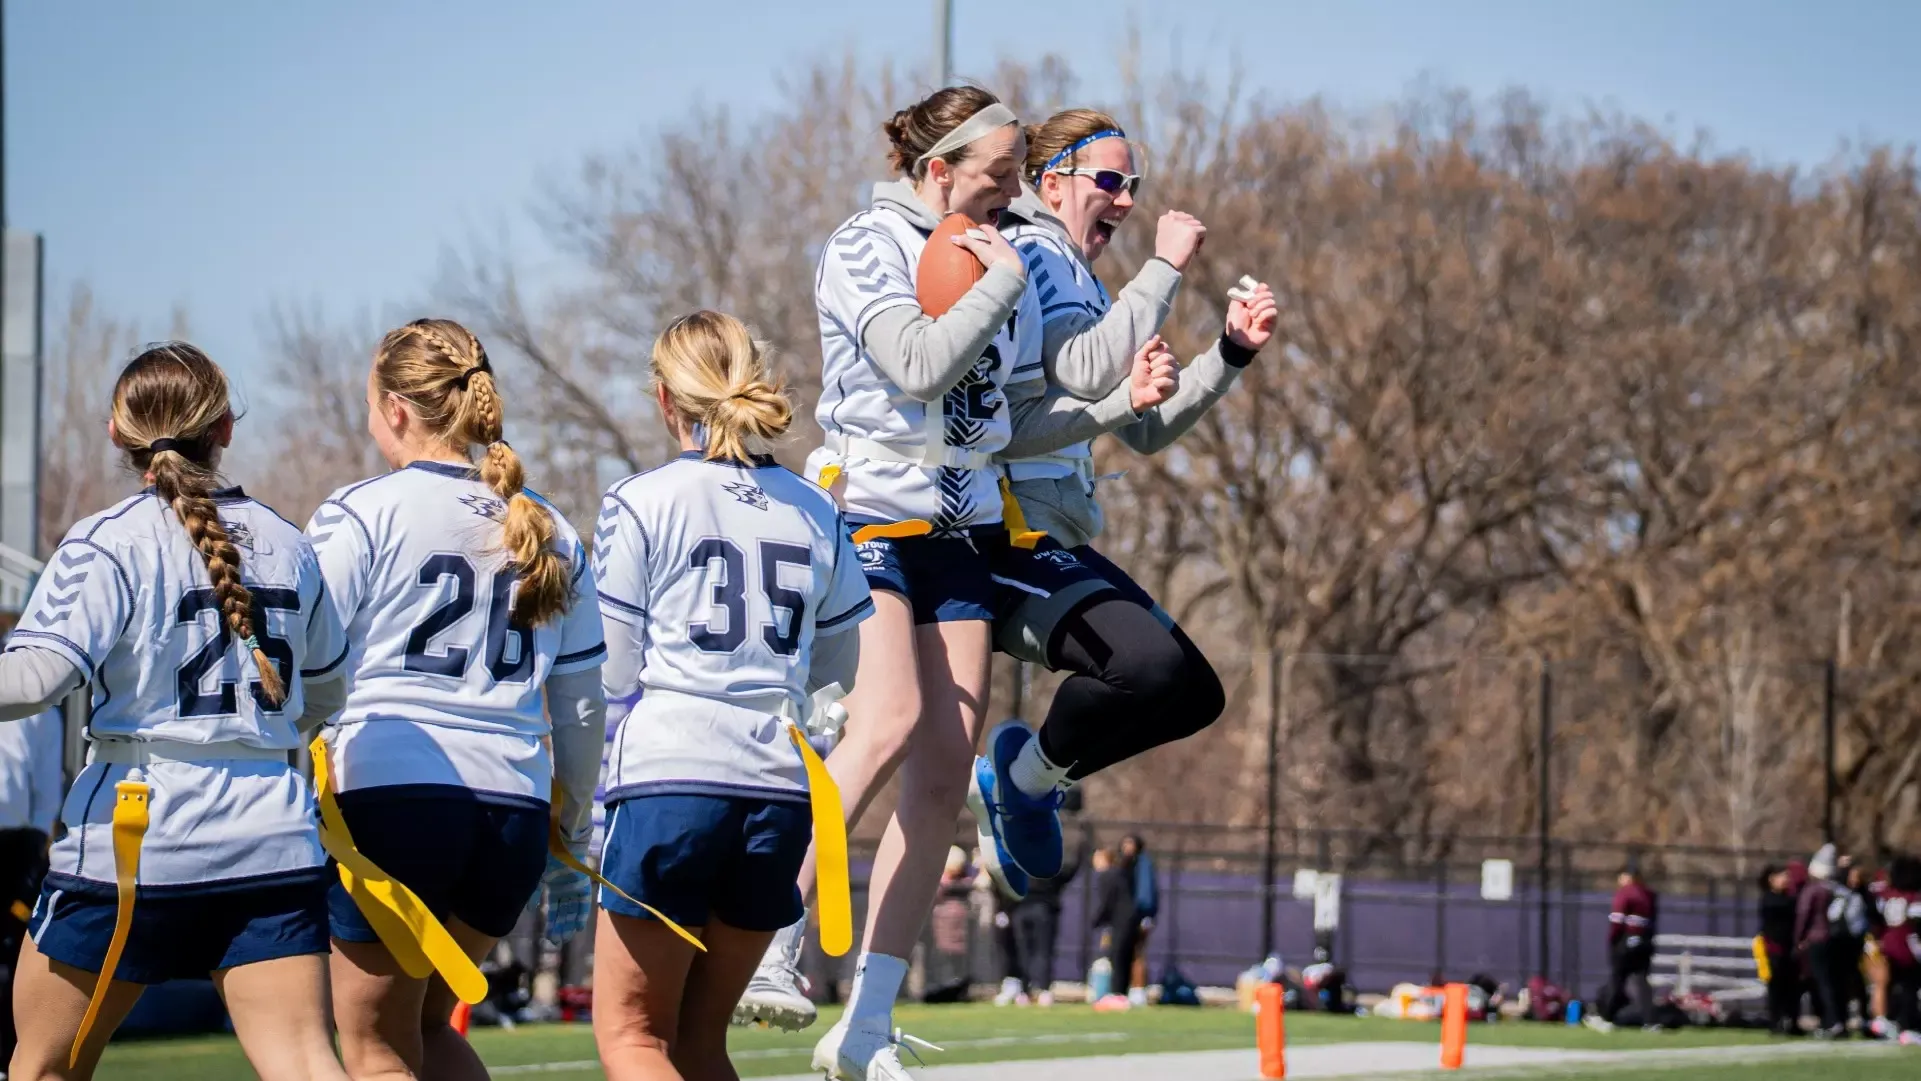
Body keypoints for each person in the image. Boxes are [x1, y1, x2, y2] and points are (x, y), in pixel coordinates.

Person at [0, 343, 351, 1081]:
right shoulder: (292, 544)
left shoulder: (106, 541)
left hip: (133, 839)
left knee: (42, 1069)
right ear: (225, 426)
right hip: (271, 837)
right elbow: (326, 691)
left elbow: (33, 678)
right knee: (309, 1065)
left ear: (114, 431)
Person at [967, 109, 1279, 897]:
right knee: (1144, 668)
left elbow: (1140, 428)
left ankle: (1029, 776)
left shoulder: (1080, 273)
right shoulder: (1035, 250)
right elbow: (1081, 370)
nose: (1127, 200)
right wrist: (1165, 269)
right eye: (1108, 181)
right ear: (1052, 181)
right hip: (1000, 540)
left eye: (1131, 185)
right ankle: (1022, 777)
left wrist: (1229, 353)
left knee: (1192, 693)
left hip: (1052, 540)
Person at [306, 318, 608, 1080]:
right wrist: (568, 826)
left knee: (376, 1049)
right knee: (431, 1029)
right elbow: (579, 707)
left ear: (398, 408)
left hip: (394, 794)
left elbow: (302, 670)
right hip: (511, 806)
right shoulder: (551, 526)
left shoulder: (361, 511)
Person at [587, 311, 872, 1081]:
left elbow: (610, 674)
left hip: (670, 779)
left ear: (663, 398)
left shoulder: (641, 498)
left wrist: (584, 799)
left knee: (633, 1038)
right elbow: (838, 666)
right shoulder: (815, 509)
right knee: (700, 1044)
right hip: (777, 787)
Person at [0, 686, 63, 1067]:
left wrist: (39, 839)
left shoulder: (29, 691)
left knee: (13, 949)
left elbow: (44, 775)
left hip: (14, 844)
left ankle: (8, 1059)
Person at [1010, 789, 1087, 1007]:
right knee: (1041, 949)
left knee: (1027, 949)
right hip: (1042, 903)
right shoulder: (1063, 837)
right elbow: (1071, 866)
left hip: (1025, 902)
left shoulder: (1025, 836)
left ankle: (1027, 990)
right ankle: (1040, 989)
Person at [1599, 866, 1656, 1027]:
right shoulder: (1649, 895)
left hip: (1626, 941)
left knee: (1617, 980)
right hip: (1644, 942)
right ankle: (1650, 1021)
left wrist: (1613, 941)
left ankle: (1607, 1017)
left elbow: (1617, 921)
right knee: (1642, 981)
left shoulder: (1625, 893)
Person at [1877, 856, 1921, 1044]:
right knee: (1910, 987)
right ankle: (1909, 1026)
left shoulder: (1886, 896)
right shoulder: (1915, 899)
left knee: (1892, 985)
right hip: (1908, 946)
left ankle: (1890, 1021)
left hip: (1888, 944)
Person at [1759, 864, 1801, 1035]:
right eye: (1782, 876)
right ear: (1772, 879)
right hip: (1774, 949)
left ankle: (1792, 1021)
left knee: (1792, 987)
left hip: (1791, 948)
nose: (1786, 880)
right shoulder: (1769, 899)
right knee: (1775, 987)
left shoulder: (1791, 899)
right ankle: (1775, 1022)